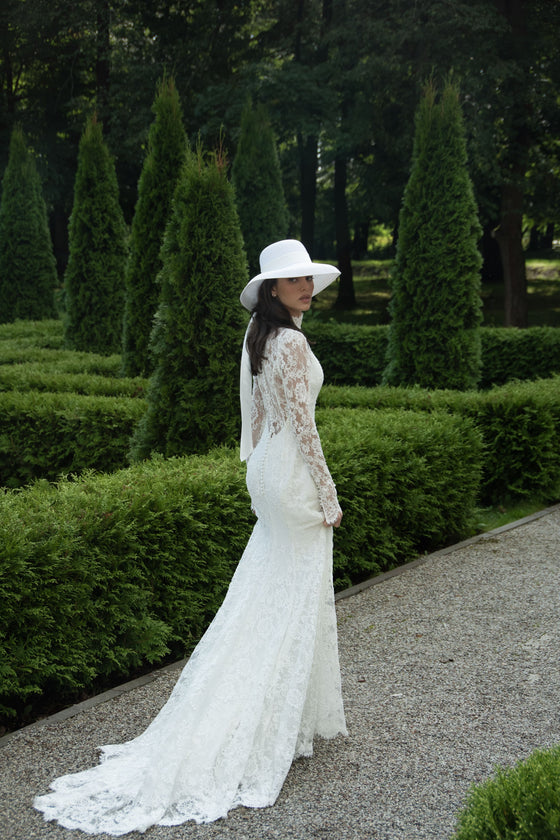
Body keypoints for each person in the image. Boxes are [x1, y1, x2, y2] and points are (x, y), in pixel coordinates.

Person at [34, 239, 347, 835]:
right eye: (293, 281)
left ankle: (283, 713)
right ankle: (266, 719)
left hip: (269, 474)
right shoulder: (292, 342)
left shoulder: (260, 338)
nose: (305, 287)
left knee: (269, 590)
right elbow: (305, 427)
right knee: (295, 593)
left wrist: (258, 475)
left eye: (307, 278)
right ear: (273, 291)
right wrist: (328, 494)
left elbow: (256, 420)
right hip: (294, 476)